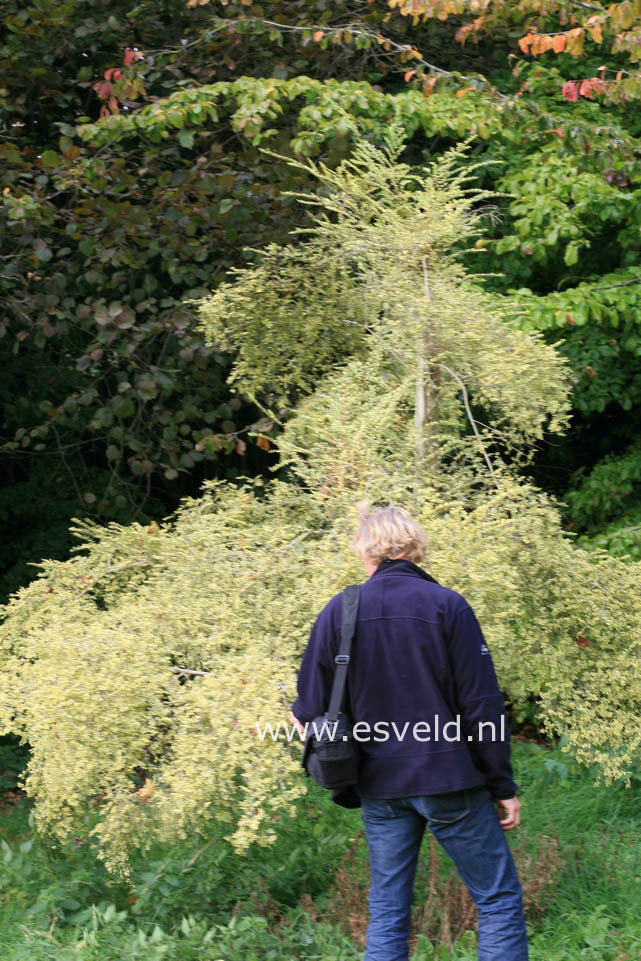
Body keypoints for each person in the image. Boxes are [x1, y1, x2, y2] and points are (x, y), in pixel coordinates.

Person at [290, 505, 528, 961]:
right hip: (449, 780)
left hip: (379, 788)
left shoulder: (340, 610)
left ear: (367, 553)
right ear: (414, 549)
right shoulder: (448, 606)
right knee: (497, 901)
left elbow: (307, 713)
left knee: (387, 910)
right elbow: (482, 707)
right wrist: (502, 785)